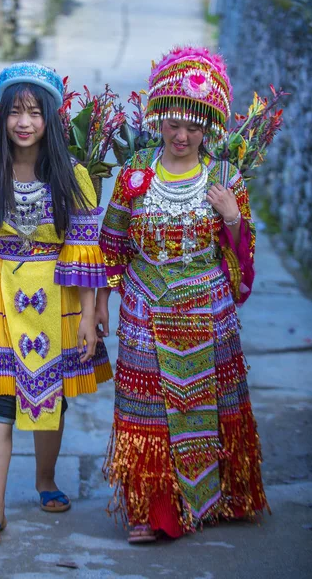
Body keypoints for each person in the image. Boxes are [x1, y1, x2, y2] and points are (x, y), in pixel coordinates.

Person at [0, 62, 112, 546]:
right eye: (15, 112)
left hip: (61, 299)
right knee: (0, 402)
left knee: (51, 399)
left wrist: (91, 320)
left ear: (52, 118)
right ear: (2, 118)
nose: (24, 122)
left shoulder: (75, 175)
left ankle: (45, 480)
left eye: (35, 112)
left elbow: (85, 254)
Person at [96, 47, 269, 543]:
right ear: (157, 120)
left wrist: (232, 216)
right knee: (147, 408)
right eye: (172, 123)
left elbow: (243, 255)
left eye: (193, 125)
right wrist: (103, 302)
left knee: (207, 405)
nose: (180, 135)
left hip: (207, 311)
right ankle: (153, 512)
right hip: (143, 307)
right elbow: (111, 244)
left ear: (210, 126)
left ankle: (218, 498)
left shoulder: (224, 179)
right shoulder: (134, 173)